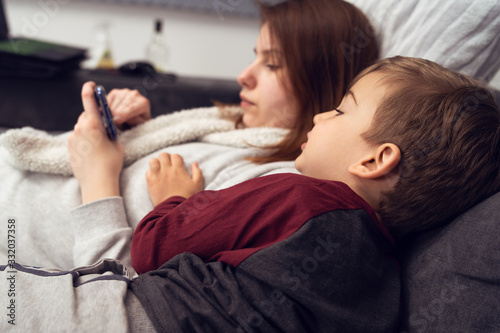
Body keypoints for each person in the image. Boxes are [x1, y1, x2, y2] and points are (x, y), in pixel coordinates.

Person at [2, 56, 498, 332]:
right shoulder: (377, 276)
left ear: (374, 160)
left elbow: (149, 249)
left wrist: (173, 199)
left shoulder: (301, 197)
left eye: (341, 111)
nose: (323, 117)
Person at [0, 0, 377, 270]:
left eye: (272, 64)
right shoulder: (227, 125)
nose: (243, 75)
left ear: (322, 84)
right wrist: (140, 129)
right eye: (255, 56)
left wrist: (97, 176)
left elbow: (122, 290)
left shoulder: (267, 185)